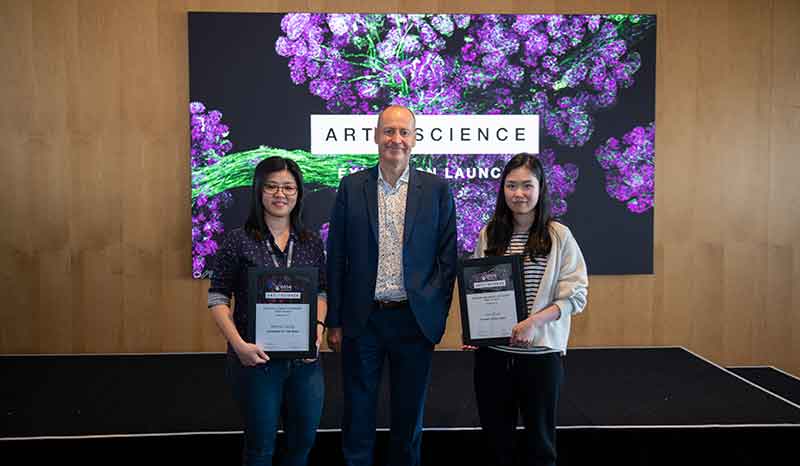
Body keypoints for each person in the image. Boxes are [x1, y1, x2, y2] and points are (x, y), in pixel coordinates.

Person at [326, 105, 458, 466]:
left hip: (414, 321)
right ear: (375, 136)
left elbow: (448, 260)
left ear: (414, 139)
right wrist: (334, 320)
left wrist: (436, 313)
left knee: (408, 417)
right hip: (362, 320)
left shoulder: (436, 189)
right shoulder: (352, 186)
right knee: (357, 415)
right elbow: (336, 256)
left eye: (403, 132)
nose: (395, 139)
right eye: (388, 131)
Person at [208, 156, 327, 466]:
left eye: (288, 187)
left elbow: (321, 291)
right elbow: (218, 298)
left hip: (304, 363)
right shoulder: (237, 241)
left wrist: (316, 332)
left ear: (298, 193)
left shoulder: (311, 242)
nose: (280, 194)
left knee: (302, 445)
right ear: (259, 190)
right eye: (272, 186)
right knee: (260, 449)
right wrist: (239, 346)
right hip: (255, 361)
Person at [470, 153, 588, 466]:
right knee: (496, 446)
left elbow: (576, 296)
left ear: (540, 188)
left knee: (541, 447)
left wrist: (534, 322)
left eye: (527, 185)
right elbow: (477, 289)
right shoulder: (489, 234)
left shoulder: (559, 235)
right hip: (493, 357)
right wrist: (477, 328)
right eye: (511, 185)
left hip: (541, 358)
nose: (518, 193)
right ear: (503, 189)